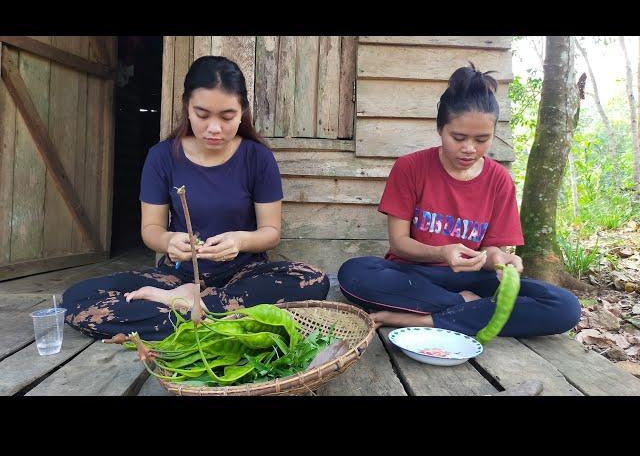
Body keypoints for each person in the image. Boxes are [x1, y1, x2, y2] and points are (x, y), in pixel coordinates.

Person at [62, 56, 329, 340]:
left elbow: (271, 232)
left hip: (242, 275)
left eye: (227, 117)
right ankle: (223, 316)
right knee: (78, 300)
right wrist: (168, 242)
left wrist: (240, 241)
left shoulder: (257, 158)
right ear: (186, 108)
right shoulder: (162, 157)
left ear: (242, 113)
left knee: (312, 280)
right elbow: (151, 230)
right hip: (177, 277)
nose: (214, 128)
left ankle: (192, 309)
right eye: (202, 115)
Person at [337, 63, 581, 337]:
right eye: (458, 137)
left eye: (481, 139)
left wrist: (502, 260)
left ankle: (422, 319)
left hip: (474, 279)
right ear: (440, 128)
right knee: (354, 273)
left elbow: (490, 252)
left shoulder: (499, 179)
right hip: (415, 276)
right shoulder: (410, 167)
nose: (469, 149)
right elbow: (400, 244)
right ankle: (464, 309)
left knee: (565, 306)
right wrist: (442, 252)